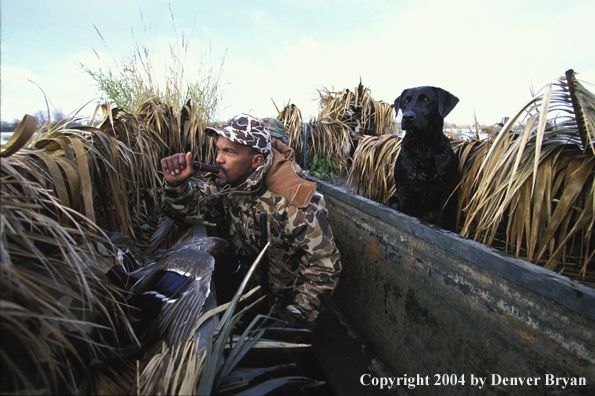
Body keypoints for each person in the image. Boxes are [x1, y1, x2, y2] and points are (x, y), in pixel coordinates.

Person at [160, 114, 341, 328]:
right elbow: (191, 211)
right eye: (219, 149)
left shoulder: (294, 203)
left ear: (256, 161)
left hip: (285, 306)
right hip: (250, 292)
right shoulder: (231, 185)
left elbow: (323, 262)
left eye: (229, 151)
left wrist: (296, 315)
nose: (218, 158)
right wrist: (176, 186)